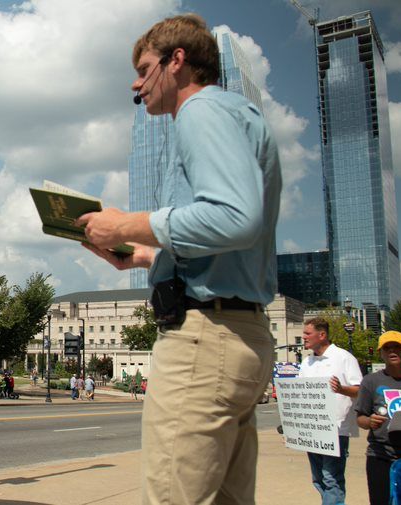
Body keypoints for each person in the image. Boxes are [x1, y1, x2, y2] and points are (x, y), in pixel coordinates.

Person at [75, 14, 281, 504]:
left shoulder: (200, 112)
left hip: (202, 344)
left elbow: (234, 217)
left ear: (177, 62)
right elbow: (231, 240)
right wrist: (149, 257)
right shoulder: (241, 115)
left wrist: (122, 225)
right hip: (243, 335)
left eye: (145, 68)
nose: (135, 81)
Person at [299, 317, 362, 505]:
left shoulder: (344, 358)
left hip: (336, 429)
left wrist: (341, 389)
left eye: (307, 333)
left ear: (322, 334)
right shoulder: (305, 362)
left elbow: (360, 389)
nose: (303, 337)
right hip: (313, 430)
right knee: (318, 479)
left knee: (331, 478)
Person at [354, 330, 401, 505]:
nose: (392, 351)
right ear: (381, 353)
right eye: (387, 348)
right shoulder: (370, 381)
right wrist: (370, 422)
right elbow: (360, 418)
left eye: (397, 347)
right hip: (381, 456)